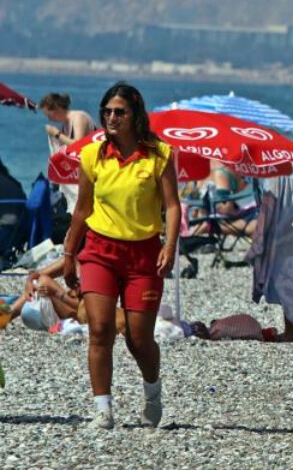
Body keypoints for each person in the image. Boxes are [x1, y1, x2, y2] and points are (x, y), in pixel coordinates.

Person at [61, 82, 180, 430]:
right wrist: (70, 253)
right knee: (99, 328)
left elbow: (173, 207)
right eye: (107, 112)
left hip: (144, 255)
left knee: (139, 337)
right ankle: (104, 409)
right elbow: (81, 210)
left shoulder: (159, 154)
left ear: (135, 115)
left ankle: (152, 392)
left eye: (120, 112)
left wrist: (169, 246)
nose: (112, 117)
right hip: (99, 251)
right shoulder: (92, 155)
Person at [40, 92, 97, 212]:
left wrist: (57, 134)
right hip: (80, 174)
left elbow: (78, 145)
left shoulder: (78, 117)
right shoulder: (66, 125)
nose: (50, 119)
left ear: (57, 109)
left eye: (49, 115)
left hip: (92, 172)